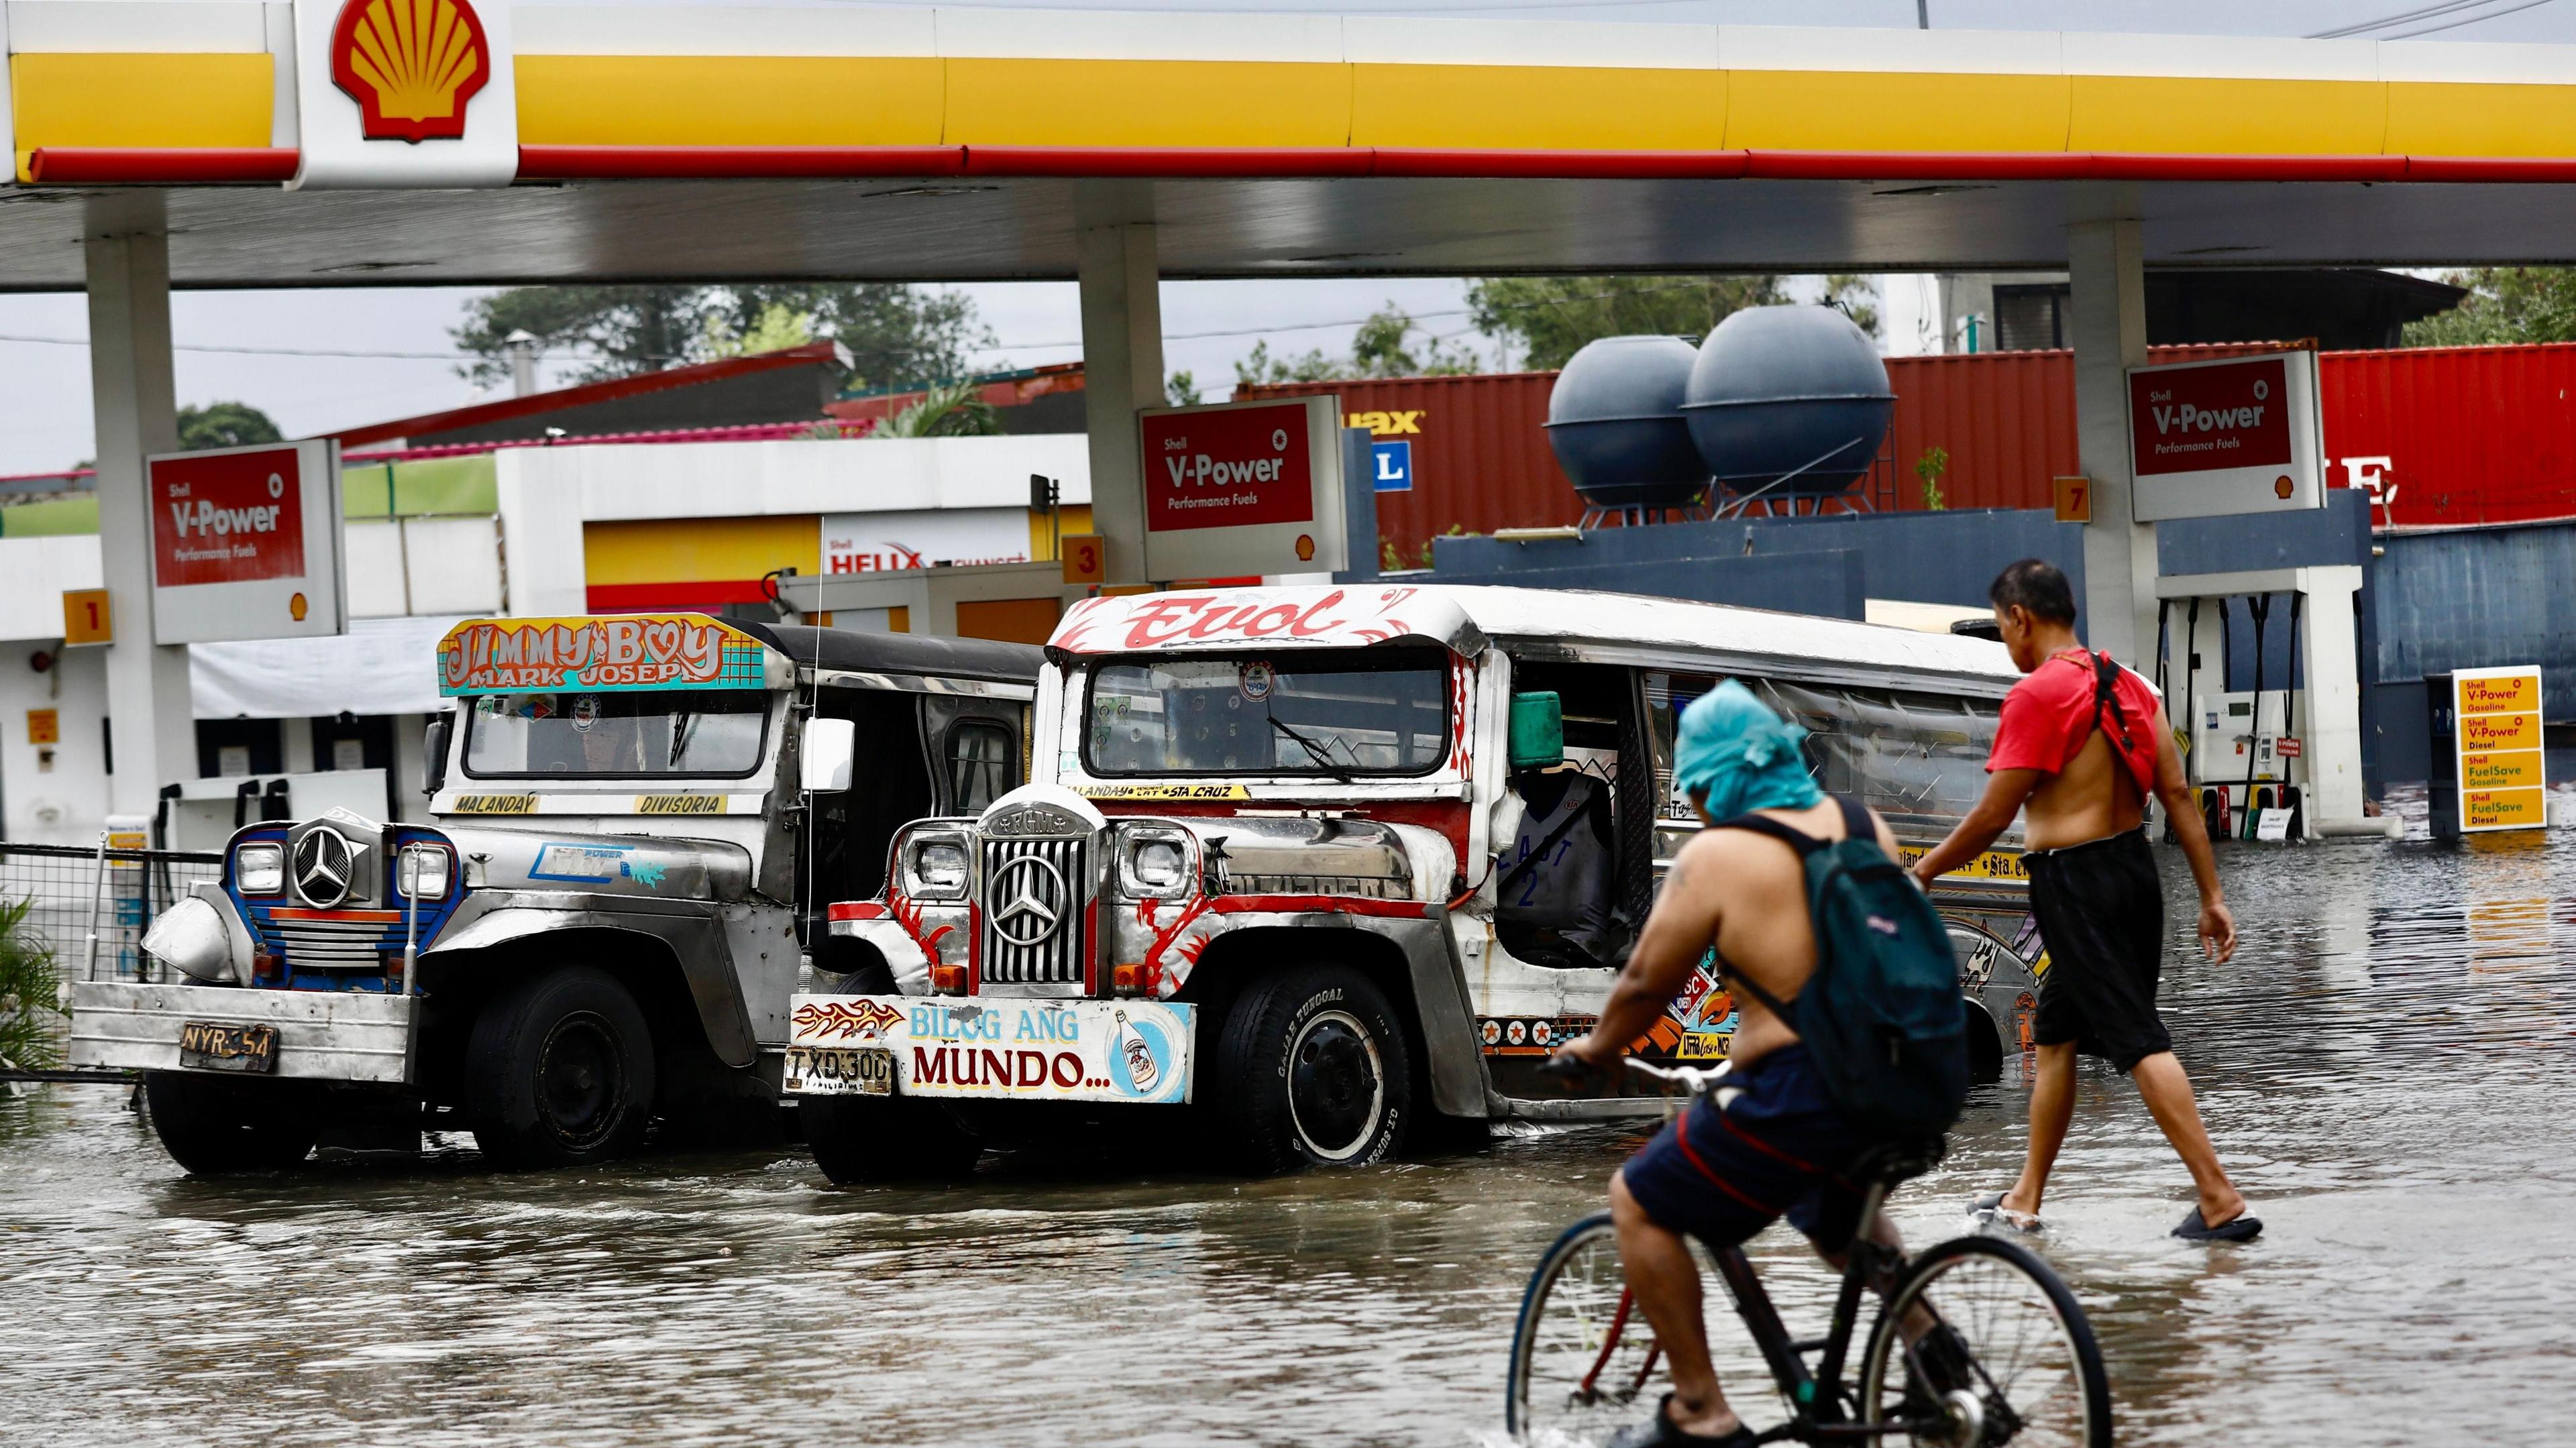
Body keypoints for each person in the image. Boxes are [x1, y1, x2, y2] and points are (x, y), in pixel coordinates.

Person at [1546, 682, 1936, 1448]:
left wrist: (1598, 1048)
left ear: (1717, 780)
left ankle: (1702, 1408)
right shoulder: (1867, 827)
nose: (1695, 807)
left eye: (1696, 789)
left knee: (1638, 1200)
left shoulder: (1719, 853)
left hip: (1803, 1089)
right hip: (1910, 1076)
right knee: (1837, 1221)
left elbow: (1646, 984)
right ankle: (1935, 1353)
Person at [1910, 559, 2258, 1243]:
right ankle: (2025, 1196)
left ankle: (2219, 1196)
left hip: (2074, 882)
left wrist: (1922, 871)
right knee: (2057, 1034)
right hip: (2135, 874)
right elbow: (2179, 794)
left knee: (2136, 1038)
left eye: (2004, 625)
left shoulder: (2037, 694)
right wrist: (2212, 894)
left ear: (2019, 617)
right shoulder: (2129, 685)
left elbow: (1991, 816)